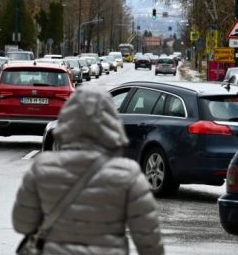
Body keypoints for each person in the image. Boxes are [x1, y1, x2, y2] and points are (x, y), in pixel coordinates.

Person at [12, 86, 164, 255]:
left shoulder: (42, 169)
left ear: (67, 120)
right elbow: (149, 242)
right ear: (111, 123)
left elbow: (22, 224)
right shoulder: (128, 175)